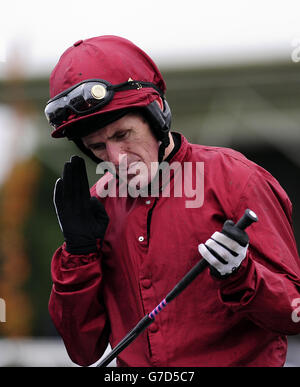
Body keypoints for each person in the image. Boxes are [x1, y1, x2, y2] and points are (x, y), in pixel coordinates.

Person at [46, 35, 300, 367]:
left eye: (123, 135)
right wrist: (78, 255)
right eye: (97, 147)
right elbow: (83, 350)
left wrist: (242, 274)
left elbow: (293, 315)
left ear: (157, 115)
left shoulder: (237, 180)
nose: (116, 159)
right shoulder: (96, 206)